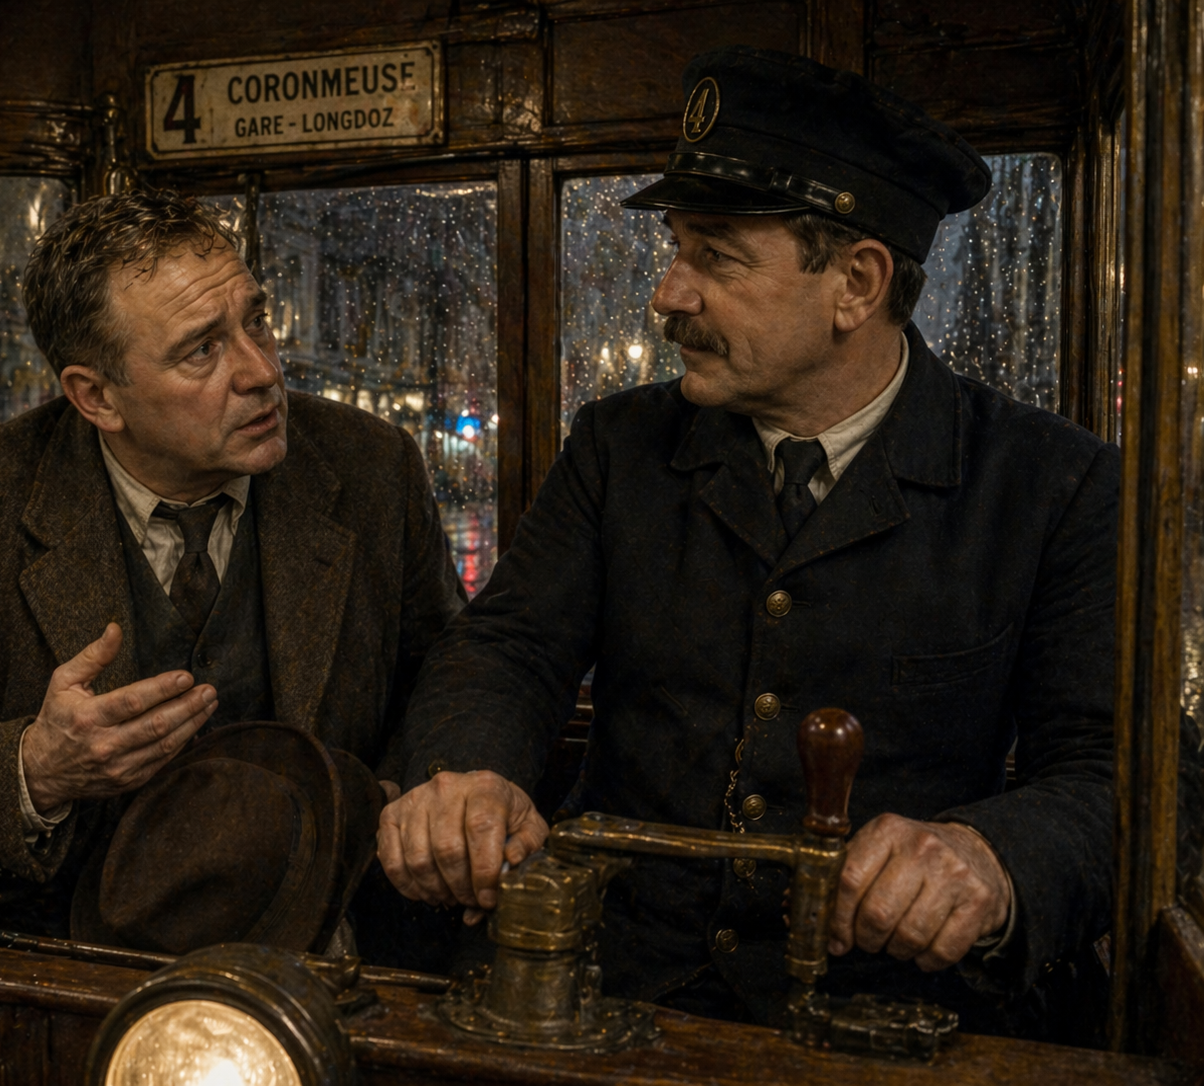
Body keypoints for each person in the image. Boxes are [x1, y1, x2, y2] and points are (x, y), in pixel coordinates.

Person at [378, 46, 1116, 1035]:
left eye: (716, 257)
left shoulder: (1051, 485)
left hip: (888, 1020)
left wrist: (992, 859)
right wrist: (467, 775)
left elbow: (1117, 775)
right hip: (613, 991)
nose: (668, 294)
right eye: (675, 249)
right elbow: (508, 646)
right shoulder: (619, 446)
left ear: (855, 284)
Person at [0, 189, 466, 940]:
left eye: (255, 320)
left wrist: (392, 800)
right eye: (202, 349)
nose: (261, 371)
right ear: (96, 397)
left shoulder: (371, 466)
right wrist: (38, 768)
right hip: (36, 925)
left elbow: (449, 678)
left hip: (304, 913)